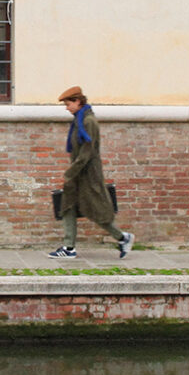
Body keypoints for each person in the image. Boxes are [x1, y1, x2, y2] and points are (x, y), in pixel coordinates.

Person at [50, 86, 134, 259]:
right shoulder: (79, 120)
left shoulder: (88, 122)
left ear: (78, 102)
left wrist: (69, 173)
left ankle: (122, 237)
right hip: (78, 172)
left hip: (88, 174)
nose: (67, 108)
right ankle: (69, 248)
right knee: (67, 206)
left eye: (68, 104)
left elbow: (87, 152)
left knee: (95, 210)